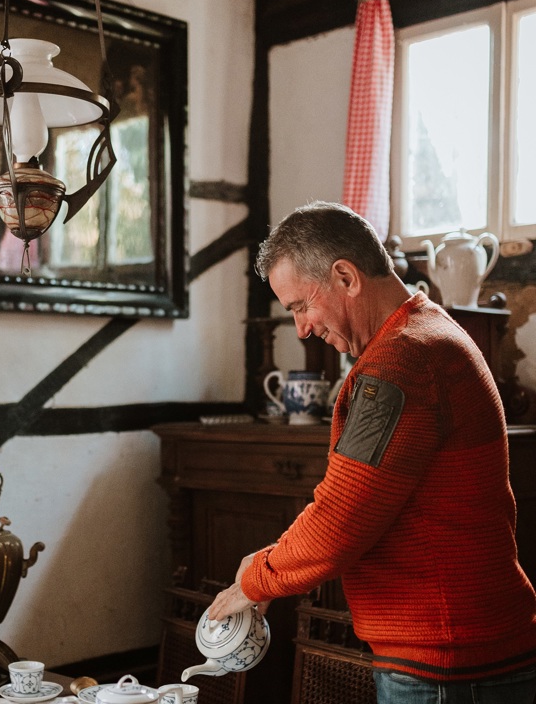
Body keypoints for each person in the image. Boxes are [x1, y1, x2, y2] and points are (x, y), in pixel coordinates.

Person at [208, 201, 536, 703]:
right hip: (455, 655)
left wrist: (256, 578)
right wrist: (268, 567)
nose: (301, 328)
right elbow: (347, 501)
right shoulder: (425, 334)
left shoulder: (404, 359)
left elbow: (339, 520)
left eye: (300, 306)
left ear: (345, 276)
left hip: (447, 666)